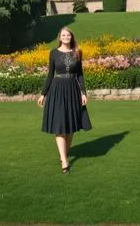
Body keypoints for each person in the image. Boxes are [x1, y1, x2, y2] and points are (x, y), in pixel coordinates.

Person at [38, 27, 92, 174]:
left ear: (71, 37)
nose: (66, 37)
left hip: (73, 90)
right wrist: (43, 94)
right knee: (60, 126)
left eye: (68, 34)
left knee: (71, 126)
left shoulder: (77, 52)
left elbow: (80, 75)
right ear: (60, 38)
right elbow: (50, 75)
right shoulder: (54, 53)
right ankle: (64, 161)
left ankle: (64, 155)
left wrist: (83, 93)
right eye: (63, 35)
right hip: (58, 90)